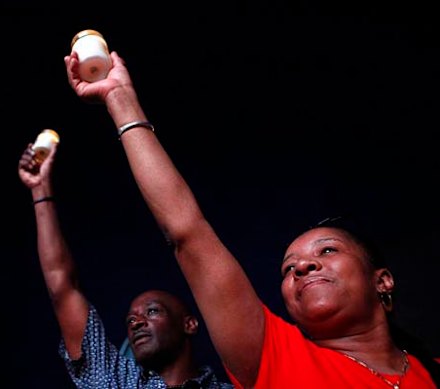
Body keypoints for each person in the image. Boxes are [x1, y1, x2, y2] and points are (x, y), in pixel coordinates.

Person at [63, 48, 440, 389]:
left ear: (383, 281)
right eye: (288, 269)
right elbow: (188, 233)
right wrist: (120, 99)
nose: (304, 266)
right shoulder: (272, 354)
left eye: (327, 250)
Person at [17, 140, 233, 388]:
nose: (137, 323)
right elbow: (62, 286)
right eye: (130, 321)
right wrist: (40, 190)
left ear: (189, 324)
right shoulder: (113, 379)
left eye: (152, 311)